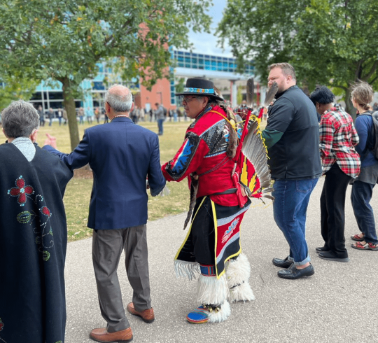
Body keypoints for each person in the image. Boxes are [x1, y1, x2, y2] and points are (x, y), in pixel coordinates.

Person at [44, 85, 166, 343]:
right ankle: (144, 305)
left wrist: (49, 148)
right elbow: (157, 183)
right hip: (137, 210)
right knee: (138, 259)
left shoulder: (95, 134)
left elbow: (69, 162)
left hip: (108, 212)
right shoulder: (149, 137)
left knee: (106, 269)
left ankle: (118, 325)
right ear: (131, 106)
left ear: (107, 108)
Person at [162, 78, 257, 324]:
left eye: (188, 98)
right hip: (235, 196)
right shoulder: (226, 116)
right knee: (229, 243)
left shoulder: (202, 127)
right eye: (182, 98)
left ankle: (214, 306)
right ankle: (239, 287)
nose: (183, 102)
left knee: (208, 249)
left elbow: (178, 168)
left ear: (204, 100)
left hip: (215, 200)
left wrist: (153, 173)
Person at [0, 100, 72, 343]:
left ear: (3, 129)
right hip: (48, 242)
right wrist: (50, 148)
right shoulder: (52, 162)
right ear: (34, 132)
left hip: (9, 244)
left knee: (12, 293)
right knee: (47, 287)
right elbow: (62, 175)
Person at [262, 63, 322, 279]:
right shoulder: (302, 98)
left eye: (274, 79)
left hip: (292, 172)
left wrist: (247, 143)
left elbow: (269, 137)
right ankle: (296, 254)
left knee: (286, 219)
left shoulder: (286, 101)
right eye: (268, 79)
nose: (270, 83)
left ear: (288, 78)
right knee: (297, 217)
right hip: (307, 170)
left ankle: (303, 264)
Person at [310, 86, 360, 262]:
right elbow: (355, 139)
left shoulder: (327, 118)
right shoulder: (345, 114)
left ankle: (339, 250)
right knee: (327, 203)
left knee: (334, 207)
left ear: (318, 104)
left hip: (339, 165)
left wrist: (317, 170)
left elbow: (325, 149)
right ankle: (329, 244)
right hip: (349, 164)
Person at [350, 82, 378, 251]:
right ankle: (365, 231)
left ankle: (371, 239)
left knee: (361, 202)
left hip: (365, 166)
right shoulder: (372, 116)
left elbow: (359, 146)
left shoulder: (361, 120)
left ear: (355, 100)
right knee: (358, 200)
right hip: (372, 164)